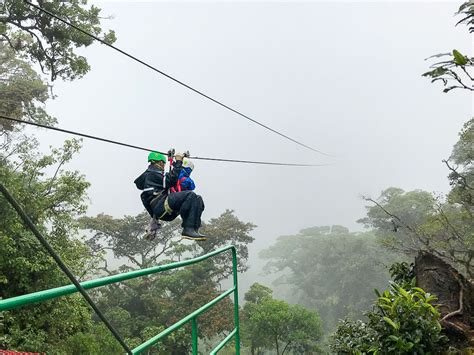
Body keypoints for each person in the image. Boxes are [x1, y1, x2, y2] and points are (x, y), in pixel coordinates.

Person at [134, 151, 207, 241]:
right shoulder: (152, 174)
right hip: (160, 205)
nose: (164, 166)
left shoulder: (154, 175)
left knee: (198, 199)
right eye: (164, 164)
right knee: (190, 195)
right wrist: (179, 162)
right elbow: (171, 180)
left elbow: (170, 179)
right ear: (160, 162)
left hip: (166, 209)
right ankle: (188, 229)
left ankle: (194, 229)